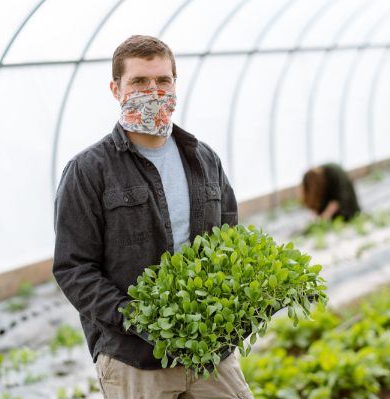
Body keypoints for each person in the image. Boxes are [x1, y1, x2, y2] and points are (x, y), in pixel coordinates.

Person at [52, 35, 253, 399]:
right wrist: (137, 318)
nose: (154, 91)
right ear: (116, 89)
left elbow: (230, 243)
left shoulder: (203, 159)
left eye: (163, 81)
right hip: (134, 360)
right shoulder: (88, 171)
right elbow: (73, 268)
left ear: (175, 85)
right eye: (140, 82)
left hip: (210, 354)